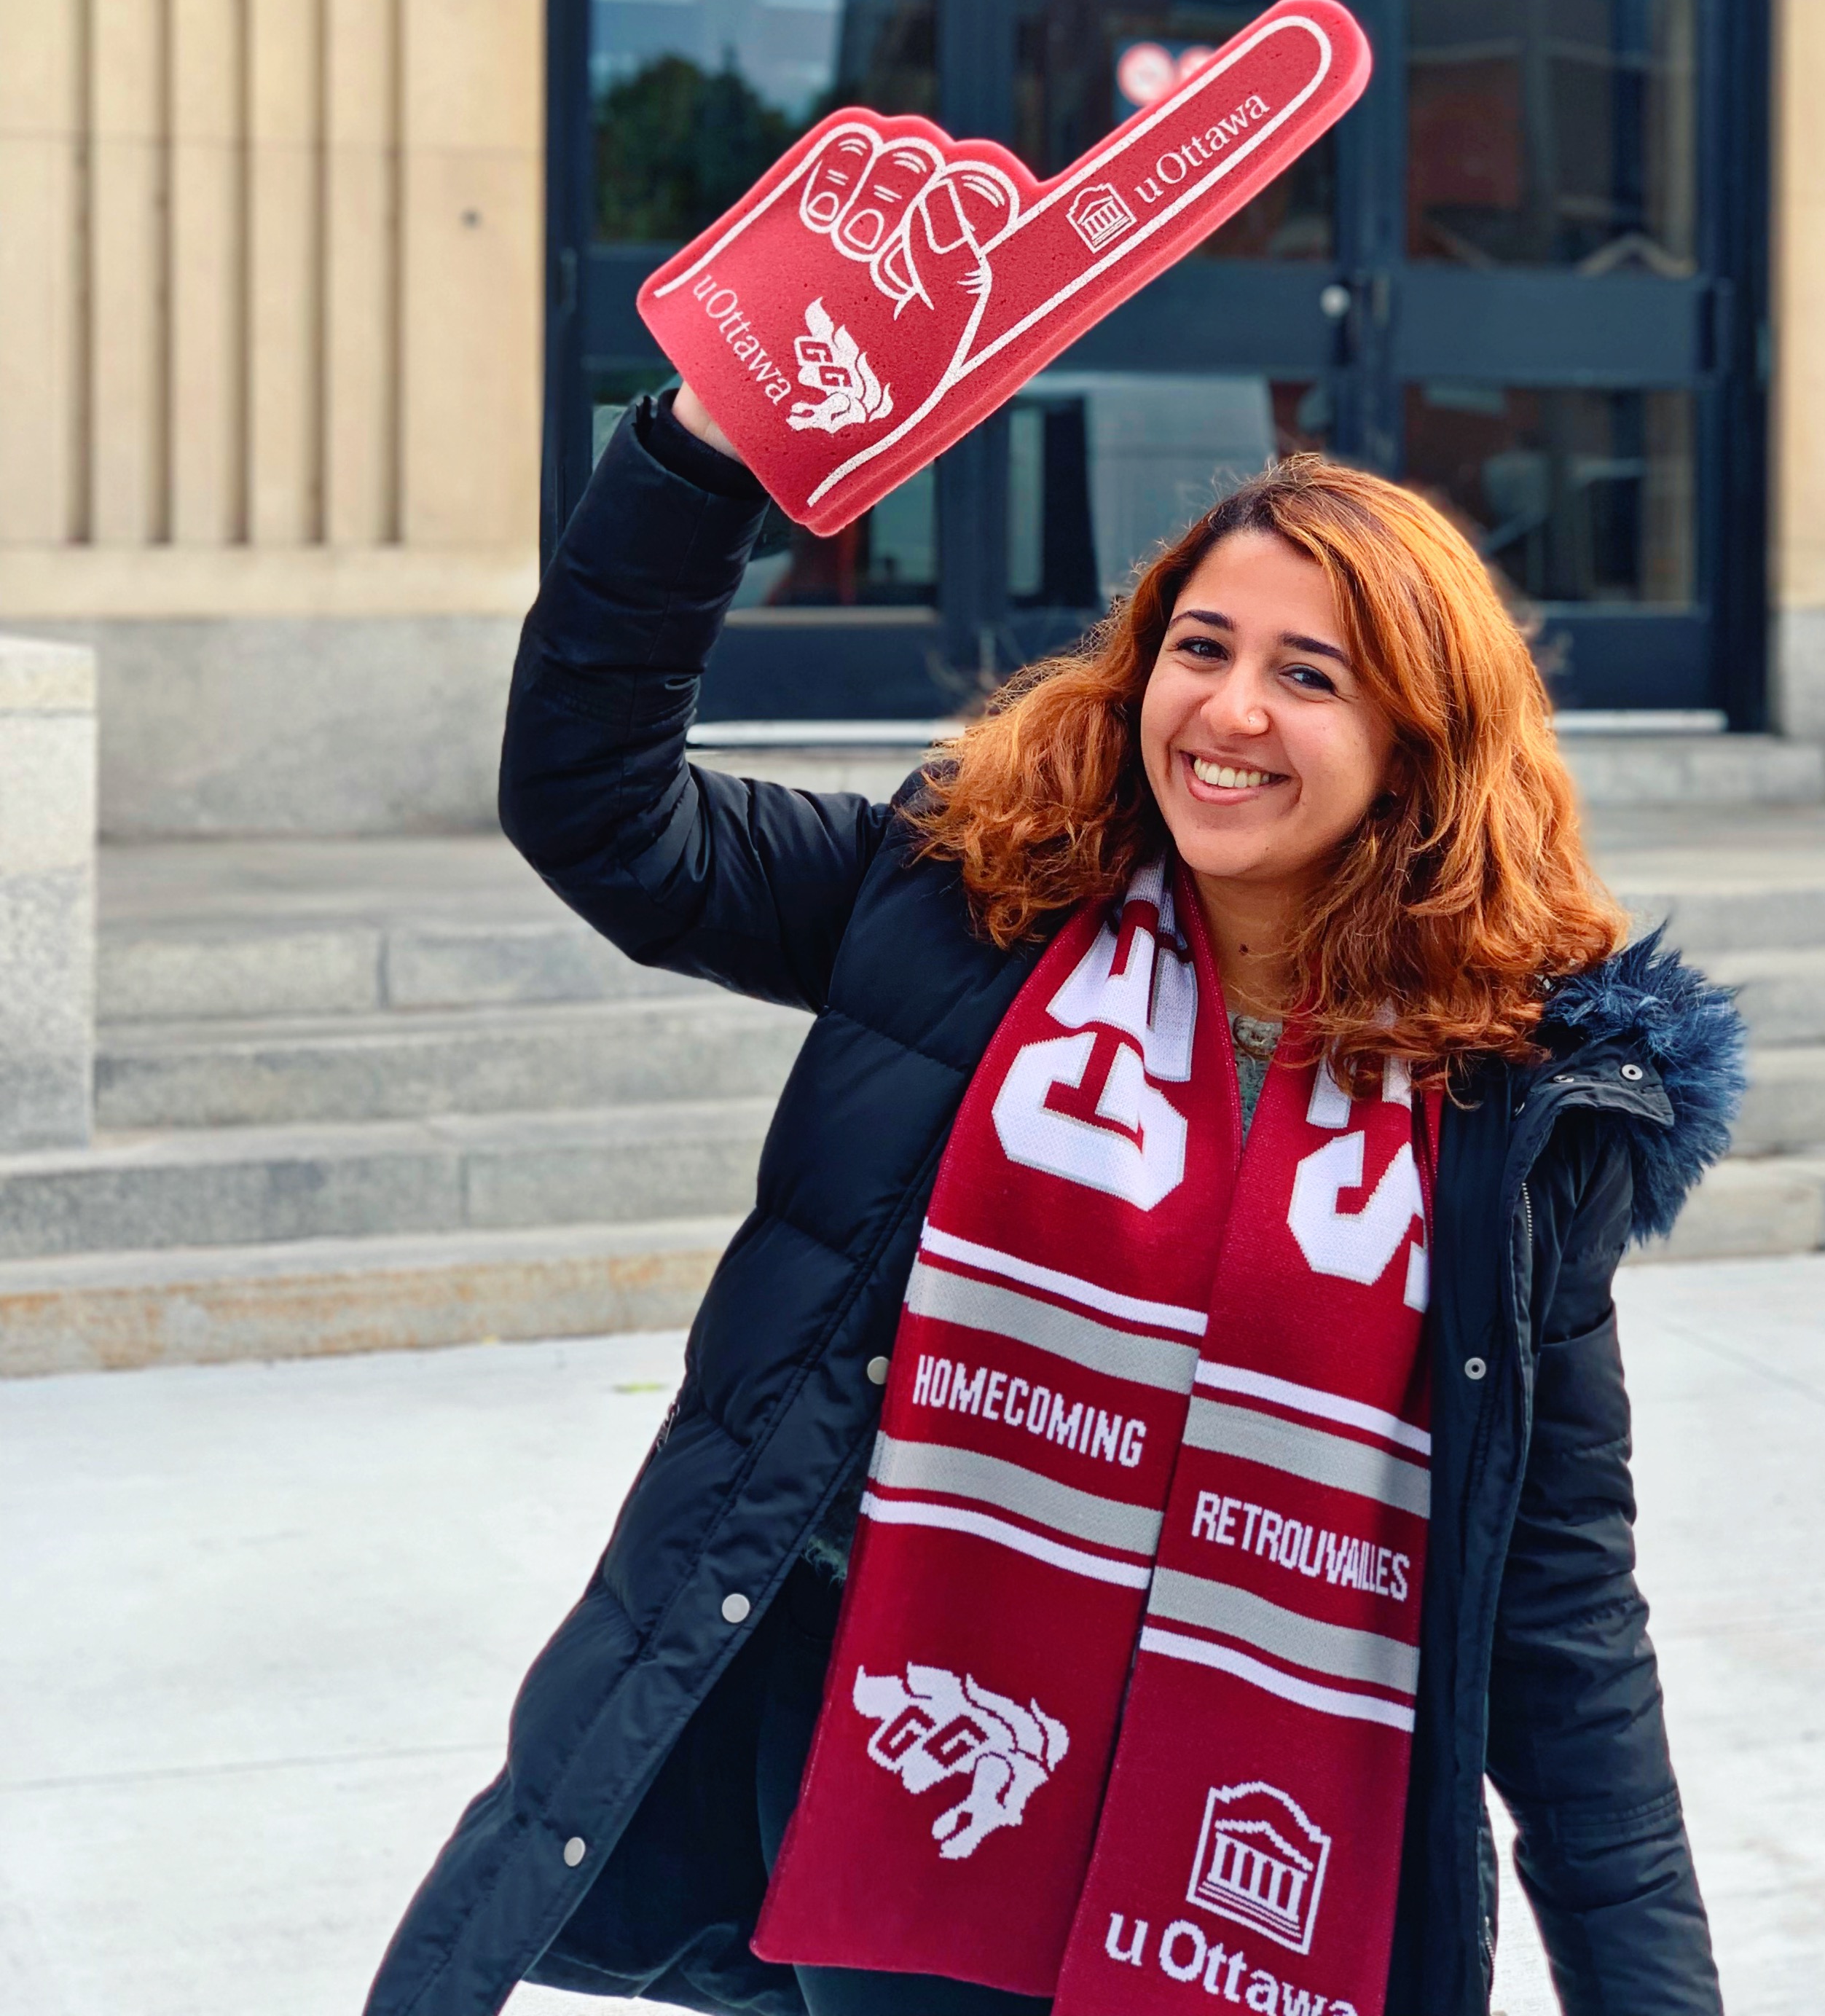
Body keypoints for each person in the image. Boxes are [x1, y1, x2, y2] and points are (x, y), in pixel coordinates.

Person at [366, 385, 1743, 2016]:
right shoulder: (963, 907)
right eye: (1201, 645)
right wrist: (702, 452)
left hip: (1272, 1870)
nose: (1228, 709)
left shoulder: (1507, 1109)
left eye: (1309, 674)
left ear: (1415, 747)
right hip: (903, 1813)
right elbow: (599, 805)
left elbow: (1565, 1620)